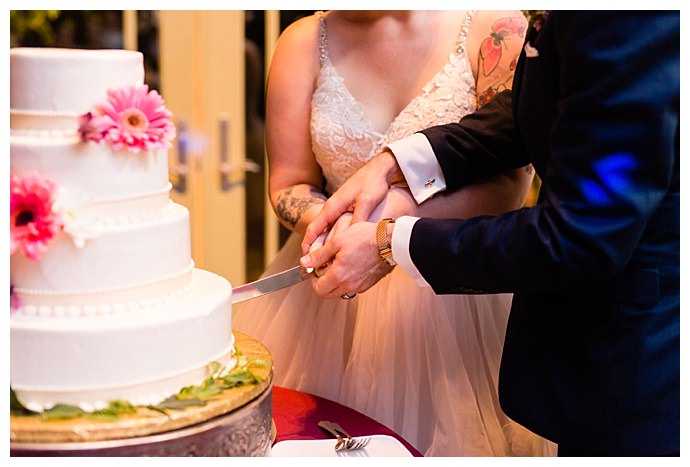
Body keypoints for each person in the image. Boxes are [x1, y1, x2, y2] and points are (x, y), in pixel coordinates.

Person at [301, 11, 680, 456]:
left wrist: (392, 242)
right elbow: (543, 102)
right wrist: (395, 162)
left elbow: (580, 235)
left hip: (641, 362)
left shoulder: (625, 18)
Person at [233, 10, 557, 456]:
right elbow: (289, 182)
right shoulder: (303, 41)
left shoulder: (493, 29)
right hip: (325, 298)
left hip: (453, 286)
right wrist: (336, 226)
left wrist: (385, 227)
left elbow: (508, 183)